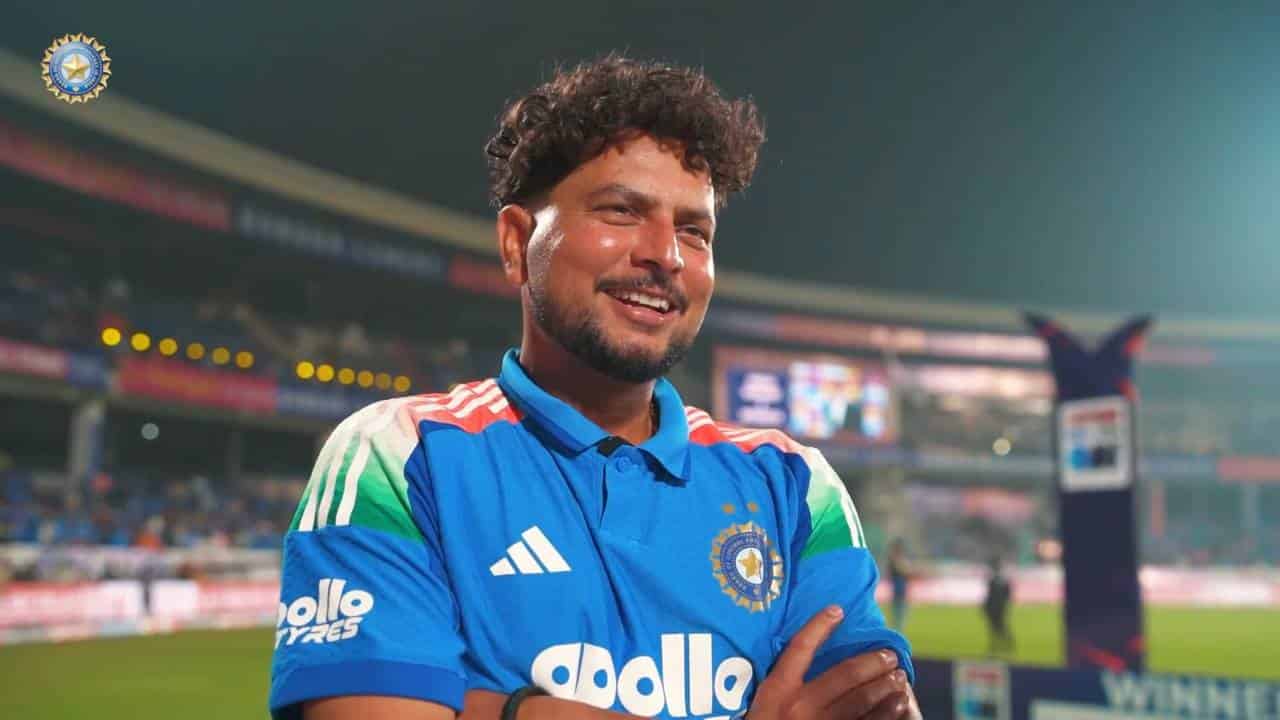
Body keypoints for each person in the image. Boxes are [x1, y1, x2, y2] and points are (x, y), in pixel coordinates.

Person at [269, 55, 919, 720]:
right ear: (517, 243)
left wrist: (491, 707)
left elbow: (878, 703)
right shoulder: (401, 455)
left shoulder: (793, 484)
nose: (665, 255)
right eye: (621, 211)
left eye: (694, 231)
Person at [982, 555, 1014, 656]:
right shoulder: (997, 579)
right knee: (996, 627)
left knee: (998, 627)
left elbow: (1005, 594)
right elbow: (1007, 595)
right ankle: (999, 646)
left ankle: (1003, 645)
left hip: (997, 607)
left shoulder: (996, 579)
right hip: (996, 607)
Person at [886, 539, 913, 631]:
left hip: (899, 586)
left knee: (899, 608)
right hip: (899, 586)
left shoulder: (895, 559)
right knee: (899, 608)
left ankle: (897, 626)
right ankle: (897, 627)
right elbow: (904, 571)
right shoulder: (895, 559)